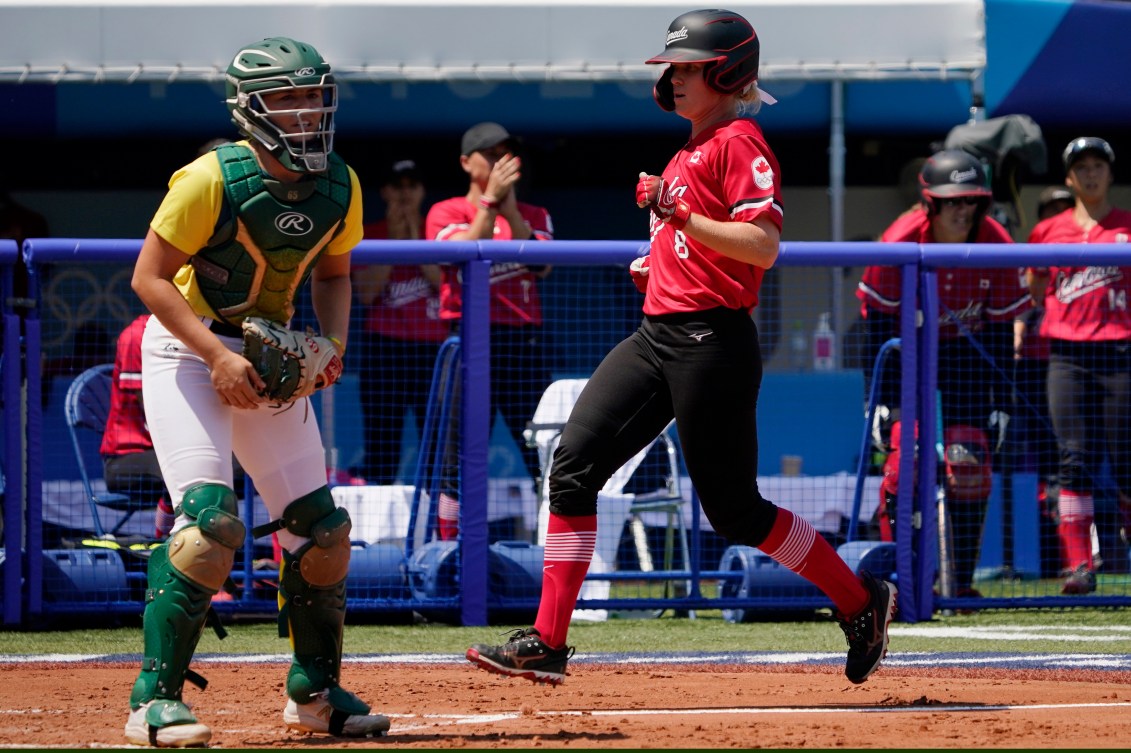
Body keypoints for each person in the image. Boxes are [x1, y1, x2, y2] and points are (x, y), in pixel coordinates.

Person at [465, 8, 896, 687]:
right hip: (657, 333)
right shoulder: (688, 150)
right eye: (674, 67)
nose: (674, 77)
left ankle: (857, 599)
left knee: (735, 512)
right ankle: (547, 640)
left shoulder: (740, 139)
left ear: (726, 71)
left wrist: (680, 218)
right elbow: (697, 240)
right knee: (571, 464)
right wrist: (660, 255)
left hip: (712, 343)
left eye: (689, 66)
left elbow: (763, 244)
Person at [124, 37, 389, 746]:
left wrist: (330, 348)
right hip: (188, 348)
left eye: (315, 98)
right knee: (209, 527)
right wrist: (214, 354)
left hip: (269, 351)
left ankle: (315, 692)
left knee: (323, 530)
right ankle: (155, 699)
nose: (306, 113)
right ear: (251, 109)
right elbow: (148, 278)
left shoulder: (342, 181)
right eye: (290, 98)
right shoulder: (210, 177)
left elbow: (333, 277)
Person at [858, 149, 1028, 601]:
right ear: (930, 202)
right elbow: (876, 328)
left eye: (971, 200)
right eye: (952, 201)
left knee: (969, 458)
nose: (962, 210)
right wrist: (876, 400)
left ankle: (960, 583)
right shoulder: (898, 242)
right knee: (903, 461)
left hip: (966, 356)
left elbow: (997, 335)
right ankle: (904, 580)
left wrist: (1001, 403)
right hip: (905, 353)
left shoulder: (996, 244)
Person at [424, 121, 553, 540]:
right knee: (455, 458)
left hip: (523, 345)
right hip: (468, 342)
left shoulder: (535, 215)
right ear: (466, 163)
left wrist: (509, 209)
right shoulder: (445, 211)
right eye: (490, 154)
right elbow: (459, 255)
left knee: (542, 452)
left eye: (506, 153)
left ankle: (552, 546)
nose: (501, 161)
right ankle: (449, 551)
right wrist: (490, 203)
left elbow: (542, 265)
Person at [1027, 136, 1131, 595]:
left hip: (1121, 352)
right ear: (1069, 178)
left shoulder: (1127, 226)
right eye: (1081, 167)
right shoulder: (1049, 231)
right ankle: (1079, 567)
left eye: (1098, 166)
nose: (1090, 174)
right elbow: (1033, 286)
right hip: (1067, 353)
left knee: (1125, 459)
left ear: (1110, 174)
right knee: (1073, 456)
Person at [354, 159, 446, 484]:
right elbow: (365, 294)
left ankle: (440, 526)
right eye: (398, 186)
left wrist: (415, 240)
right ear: (384, 191)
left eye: (412, 186)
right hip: (385, 348)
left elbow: (444, 285)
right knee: (382, 443)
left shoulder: (440, 231)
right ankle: (380, 529)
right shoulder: (369, 233)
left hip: (433, 348)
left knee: (438, 442)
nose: (405, 194)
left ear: (422, 191)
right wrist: (394, 239)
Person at [1012, 186, 1075, 577]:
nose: (1058, 215)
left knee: (1076, 463)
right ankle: (1048, 562)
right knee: (1038, 466)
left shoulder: (1090, 250)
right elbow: (1020, 305)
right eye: (1050, 209)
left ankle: (1083, 559)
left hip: (1076, 363)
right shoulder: (1036, 252)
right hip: (1033, 373)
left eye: (1063, 209)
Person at [101, 314, 175, 539]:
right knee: (183, 467)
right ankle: (167, 546)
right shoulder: (136, 335)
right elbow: (152, 413)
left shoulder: (195, 332)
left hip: (168, 451)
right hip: (125, 458)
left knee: (243, 466)